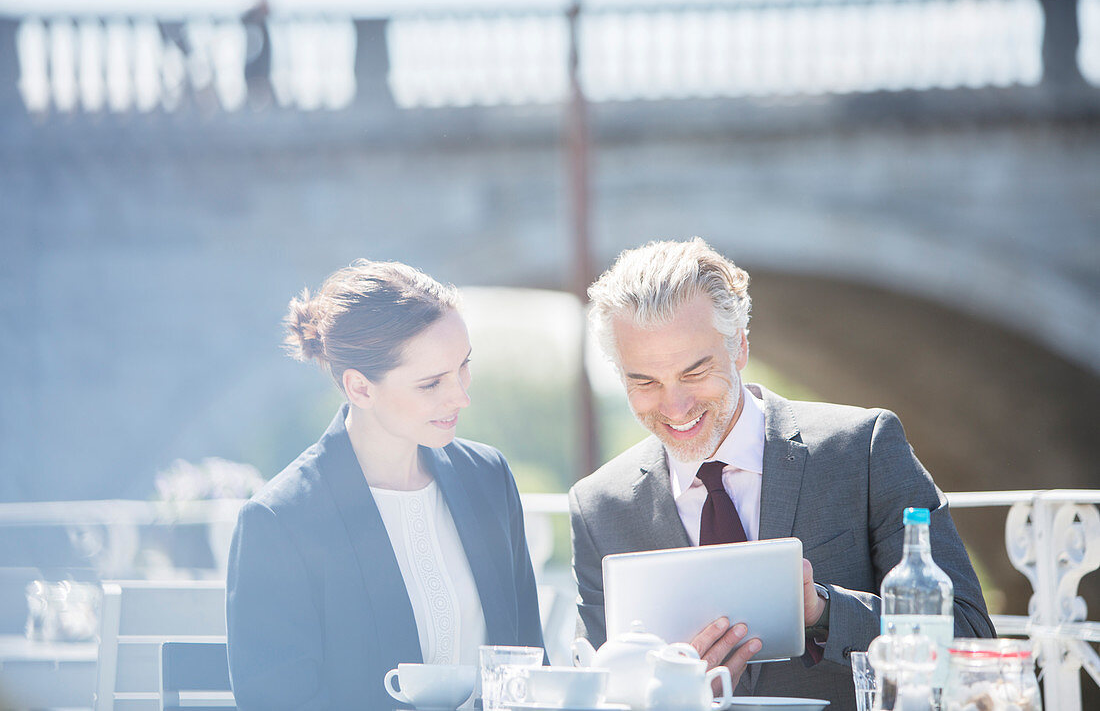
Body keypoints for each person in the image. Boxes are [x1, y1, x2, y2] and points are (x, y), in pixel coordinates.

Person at [569, 238, 994, 710]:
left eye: (694, 372)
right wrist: (666, 691)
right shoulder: (599, 506)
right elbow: (595, 688)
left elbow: (970, 634)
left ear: (740, 348)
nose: (675, 405)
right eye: (644, 381)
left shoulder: (863, 448)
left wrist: (826, 610)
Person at [227, 260, 544, 711]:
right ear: (359, 388)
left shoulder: (488, 478)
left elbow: (530, 665)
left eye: (463, 367)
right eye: (431, 383)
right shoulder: (280, 522)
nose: (460, 396)